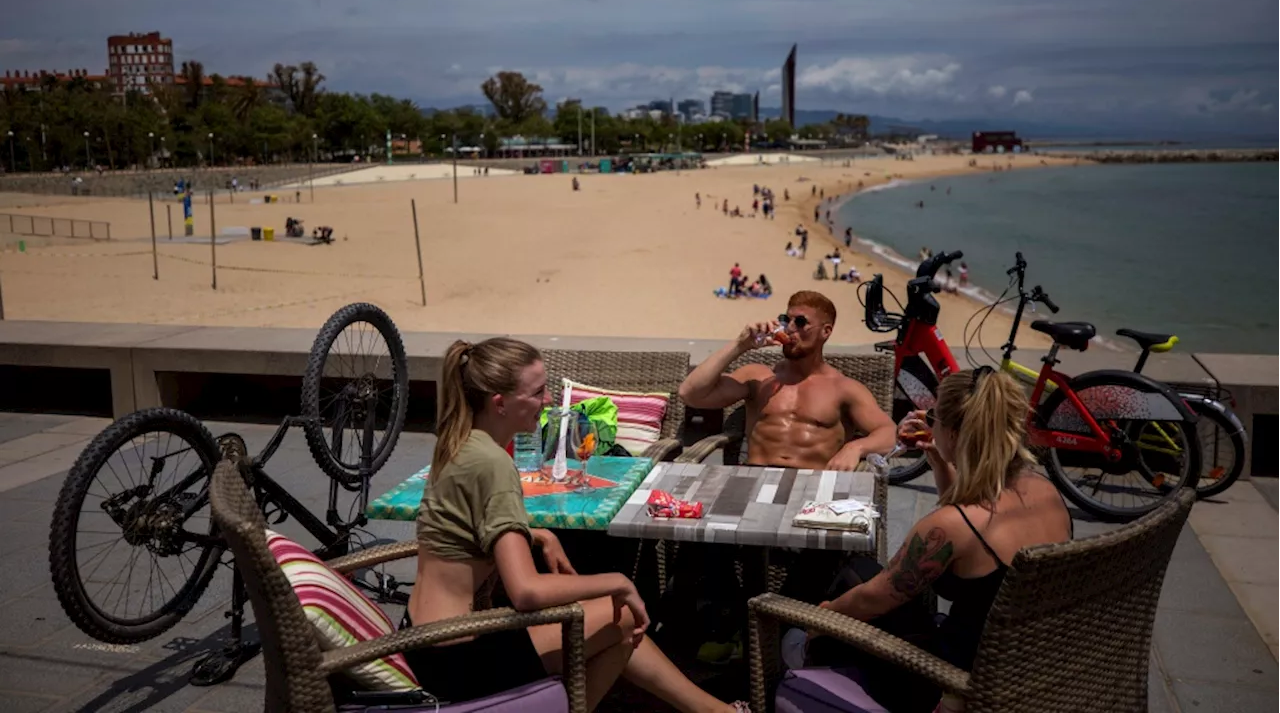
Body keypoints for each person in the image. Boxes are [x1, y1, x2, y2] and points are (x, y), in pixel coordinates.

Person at [409, 338, 749, 712]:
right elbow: (526, 592)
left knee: (617, 628)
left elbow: (463, 529)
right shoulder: (493, 464)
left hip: (425, 638)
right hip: (459, 656)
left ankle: (715, 712)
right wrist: (619, 581)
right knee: (620, 611)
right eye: (538, 392)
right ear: (500, 403)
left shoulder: (459, 443)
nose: (550, 400)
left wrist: (538, 533)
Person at [799, 368, 1072, 712]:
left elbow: (873, 599)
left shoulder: (948, 527)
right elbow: (970, 518)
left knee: (852, 585)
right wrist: (940, 459)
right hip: (1019, 662)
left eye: (935, 415)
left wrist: (821, 619)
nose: (929, 420)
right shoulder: (1046, 491)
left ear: (955, 432)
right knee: (864, 571)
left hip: (950, 681)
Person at [678, 291, 896, 471]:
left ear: (826, 331)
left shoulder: (843, 388)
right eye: (786, 320)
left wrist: (855, 448)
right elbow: (691, 394)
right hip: (755, 476)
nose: (790, 328)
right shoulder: (758, 377)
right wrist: (739, 345)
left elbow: (889, 433)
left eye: (800, 322)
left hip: (811, 484)